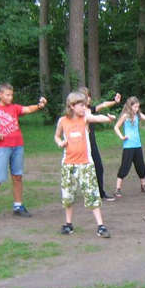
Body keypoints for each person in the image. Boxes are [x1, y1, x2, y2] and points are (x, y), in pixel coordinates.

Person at [0, 82, 47, 220]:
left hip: (18, 146)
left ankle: (18, 206)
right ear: (0, 95)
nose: (10, 97)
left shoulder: (14, 108)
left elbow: (28, 109)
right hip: (3, 148)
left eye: (11, 95)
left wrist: (39, 106)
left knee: (17, 176)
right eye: (7, 95)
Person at [54, 91, 115, 237]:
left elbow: (97, 118)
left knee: (92, 195)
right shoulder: (62, 121)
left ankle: (100, 226)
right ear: (72, 106)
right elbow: (56, 136)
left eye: (84, 105)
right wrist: (60, 142)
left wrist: (108, 119)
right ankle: (68, 224)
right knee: (68, 196)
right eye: (81, 105)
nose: (84, 107)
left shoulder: (85, 118)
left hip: (85, 164)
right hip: (68, 165)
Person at [79, 86, 121, 201]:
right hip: (81, 145)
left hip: (92, 145)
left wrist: (114, 101)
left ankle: (100, 193)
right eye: (87, 97)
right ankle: (76, 192)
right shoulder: (80, 113)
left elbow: (103, 105)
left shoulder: (90, 109)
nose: (89, 98)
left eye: (89, 96)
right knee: (81, 170)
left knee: (98, 168)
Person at [113, 96, 145, 197]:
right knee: (125, 167)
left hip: (137, 145)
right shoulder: (125, 116)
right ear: (130, 106)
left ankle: (143, 186)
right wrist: (121, 137)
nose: (136, 109)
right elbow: (116, 127)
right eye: (135, 107)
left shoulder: (138, 115)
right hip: (128, 146)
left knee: (141, 166)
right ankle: (118, 189)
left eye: (138, 107)